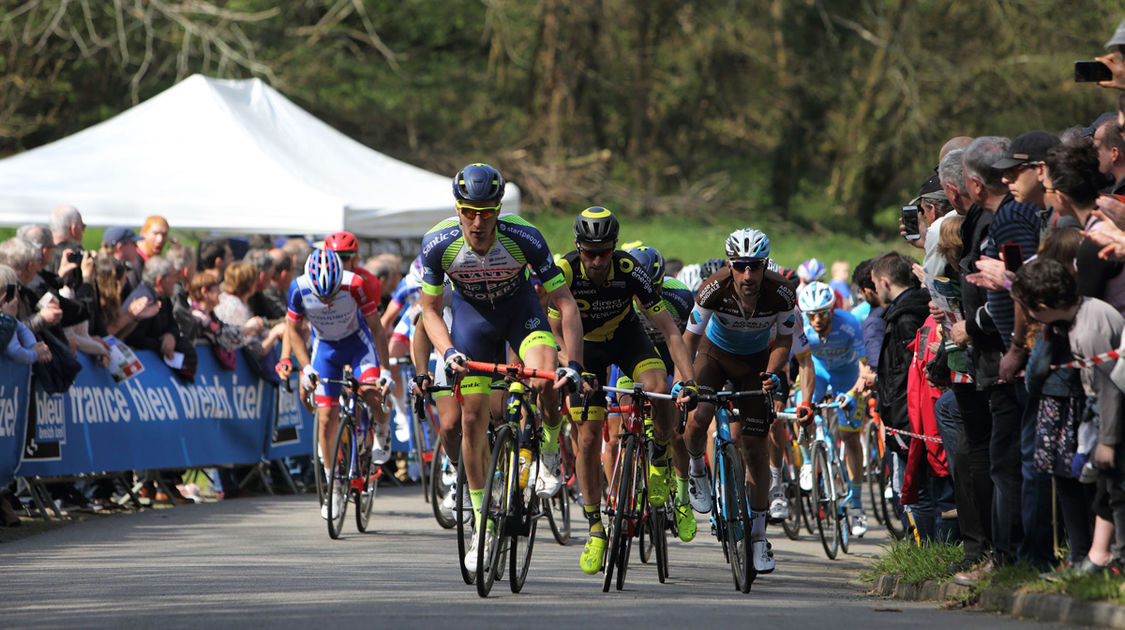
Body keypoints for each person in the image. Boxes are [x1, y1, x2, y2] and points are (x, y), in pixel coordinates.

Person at [418, 163, 585, 575]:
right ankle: (482, 525)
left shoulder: (524, 237)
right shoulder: (438, 244)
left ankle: (547, 447)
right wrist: (447, 352)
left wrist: (576, 364)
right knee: (473, 418)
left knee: (545, 376)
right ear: (457, 209)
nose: (478, 221)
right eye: (469, 211)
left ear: (498, 209)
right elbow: (429, 310)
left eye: (487, 211)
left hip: (521, 316)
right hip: (472, 323)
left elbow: (564, 304)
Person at [548, 209, 697, 574]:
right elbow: (553, 331)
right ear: (577, 246)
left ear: (615, 246)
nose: (597, 260)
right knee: (587, 440)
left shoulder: (630, 270)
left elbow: (670, 329)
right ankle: (596, 529)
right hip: (584, 349)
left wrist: (689, 380)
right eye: (588, 252)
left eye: (604, 251)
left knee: (660, 388)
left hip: (627, 339)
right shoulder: (565, 271)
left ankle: (659, 456)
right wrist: (574, 367)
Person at [683, 227, 812, 576]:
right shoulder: (713, 287)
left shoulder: (783, 293)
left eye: (755, 266)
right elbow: (689, 339)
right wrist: (686, 381)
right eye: (740, 266)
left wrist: (772, 372)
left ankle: (758, 536)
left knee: (756, 449)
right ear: (730, 264)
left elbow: (785, 341)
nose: (748, 275)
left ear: (765, 264)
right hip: (713, 355)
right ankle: (697, 468)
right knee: (698, 419)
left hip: (755, 363)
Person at [1012, 259, 1125, 573]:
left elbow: (1110, 388)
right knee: (1105, 489)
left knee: (1115, 490)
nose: (1032, 319)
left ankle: (1116, 562)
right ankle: (1099, 558)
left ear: (1044, 305)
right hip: (1098, 409)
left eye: (1031, 311)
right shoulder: (1075, 316)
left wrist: (1106, 440)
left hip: (1110, 413)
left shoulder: (1089, 331)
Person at [277, 247, 392, 519]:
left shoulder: (356, 285)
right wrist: (305, 367)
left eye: (331, 294)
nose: (327, 301)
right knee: (327, 418)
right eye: (322, 296)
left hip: (357, 345)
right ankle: (334, 485)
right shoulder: (298, 288)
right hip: (325, 348)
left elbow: (376, 327)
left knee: (370, 393)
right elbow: (292, 329)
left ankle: (383, 428)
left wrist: (385, 369)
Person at [796, 280, 869, 536]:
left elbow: (864, 366)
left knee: (850, 437)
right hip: (818, 373)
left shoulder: (849, 323)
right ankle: (807, 462)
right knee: (801, 410)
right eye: (811, 314)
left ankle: (858, 506)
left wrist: (854, 392)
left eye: (823, 313)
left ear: (832, 309)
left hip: (847, 376)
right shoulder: (802, 326)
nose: (817, 320)